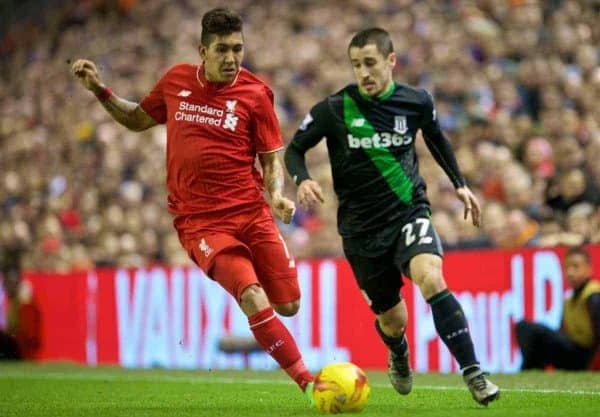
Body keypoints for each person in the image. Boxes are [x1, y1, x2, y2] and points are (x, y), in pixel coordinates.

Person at [71, 7, 314, 397]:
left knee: (289, 305)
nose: (232, 58)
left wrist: (277, 195)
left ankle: (266, 328)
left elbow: (270, 159)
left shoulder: (255, 94)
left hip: (251, 214)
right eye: (222, 50)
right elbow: (136, 120)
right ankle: (310, 382)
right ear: (202, 50)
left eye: (238, 49)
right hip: (202, 224)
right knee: (252, 295)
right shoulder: (176, 81)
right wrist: (100, 90)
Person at [285, 28, 500, 406]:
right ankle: (398, 350)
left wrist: (460, 184)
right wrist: (302, 179)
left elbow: (436, 138)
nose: (363, 72)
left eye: (370, 63)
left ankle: (474, 372)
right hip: (360, 231)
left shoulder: (416, 102)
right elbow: (295, 149)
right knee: (393, 320)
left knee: (431, 277)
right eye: (356, 65)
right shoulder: (334, 108)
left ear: (391, 61)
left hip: (408, 212)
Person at [515, 246, 600, 370]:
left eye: (575, 267)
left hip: (585, 357)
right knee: (526, 329)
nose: (570, 272)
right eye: (566, 268)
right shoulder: (568, 300)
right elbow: (563, 333)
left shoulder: (594, 296)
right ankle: (532, 367)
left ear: (588, 269)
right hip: (572, 352)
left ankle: (528, 368)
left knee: (527, 328)